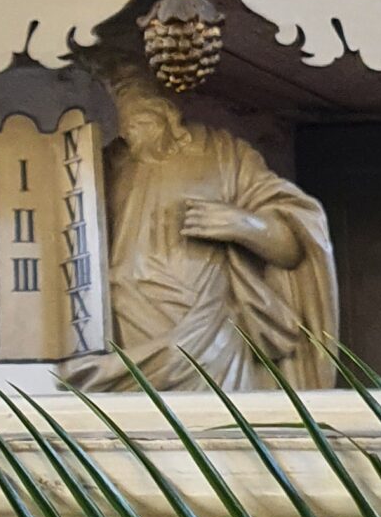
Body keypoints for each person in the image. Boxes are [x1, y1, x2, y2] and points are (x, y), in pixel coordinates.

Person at [60, 68, 337, 394]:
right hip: (125, 337)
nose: (131, 120)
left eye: (140, 98)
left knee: (226, 425)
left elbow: (293, 248)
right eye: (121, 99)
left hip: (210, 337)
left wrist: (243, 225)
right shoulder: (102, 166)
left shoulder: (223, 154)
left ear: (169, 104)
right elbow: (55, 237)